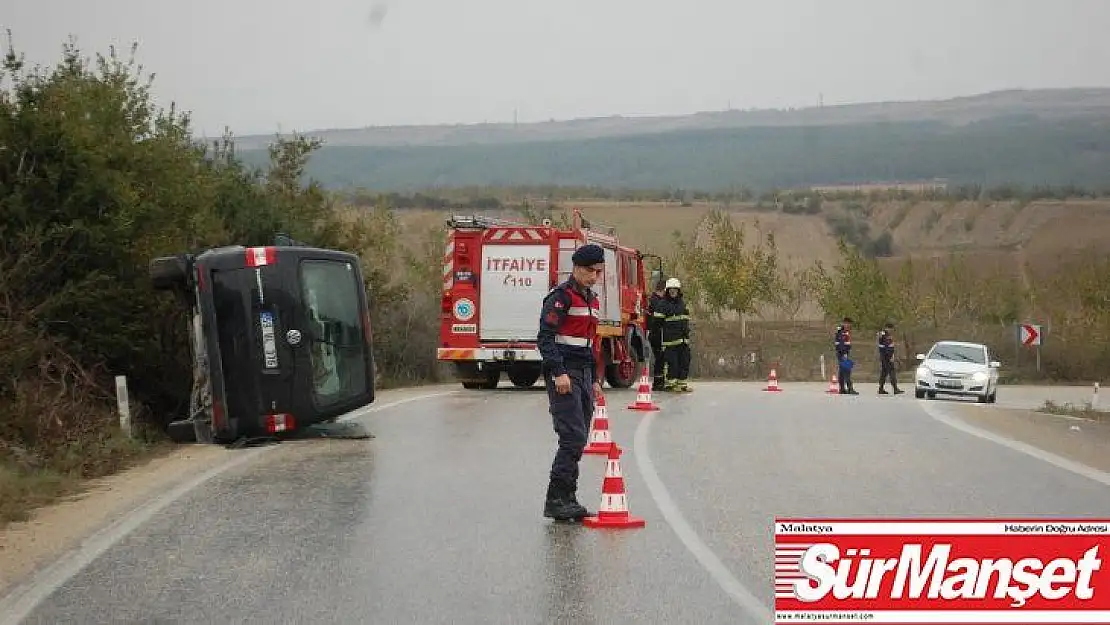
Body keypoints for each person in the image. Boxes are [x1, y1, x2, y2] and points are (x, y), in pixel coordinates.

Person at [536, 243, 607, 522]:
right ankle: (555, 499)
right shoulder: (560, 298)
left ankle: (568, 498)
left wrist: (596, 380)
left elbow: (590, 344)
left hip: (584, 373)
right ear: (576, 268)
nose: (594, 276)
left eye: (598, 272)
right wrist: (558, 372)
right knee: (572, 436)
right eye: (590, 271)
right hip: (564, 374)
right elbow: (545, 338)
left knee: (580, 437)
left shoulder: (592, 299)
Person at [657, 277, 692, 392]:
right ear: (667, 290)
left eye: (675, 290)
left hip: (683, 340)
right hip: (670, 341)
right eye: (671, 290)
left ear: (678, 291)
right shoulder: (663, 304)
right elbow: (657, 324)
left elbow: (685, 320)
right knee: (672, 363)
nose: (673, 292)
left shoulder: (682, 304)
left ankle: (682, 384)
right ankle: (671, 384)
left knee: (684, 362)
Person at [646, 277, 667, 391]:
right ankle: (658, 383)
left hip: (656, 333)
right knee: (660, 358)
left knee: (660, 358)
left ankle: (659, 382)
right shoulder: (656, 301)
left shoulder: (653, 300)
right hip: (657, 334)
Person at [877, 322, 904, 395]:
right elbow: (886, 347)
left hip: (884, 356)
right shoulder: (884, 335)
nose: (891, 330)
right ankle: (895, 389)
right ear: (887, 328)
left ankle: (881, 388)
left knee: (884, 372)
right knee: (892, 371)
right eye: (890, 329)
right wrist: (890, 356)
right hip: (886, 356)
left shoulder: (885, 335)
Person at [834, 316, 858, 395]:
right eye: (847, 324)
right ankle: (850, 388)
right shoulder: (842, 331)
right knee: (847, 370)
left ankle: (842, 389)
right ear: (844, 323)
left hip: (843, 353)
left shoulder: (844, 331)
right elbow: (841, 344)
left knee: (842, 371)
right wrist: (844, 354)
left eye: (850, 324)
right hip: (842, 353)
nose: (849, 326)